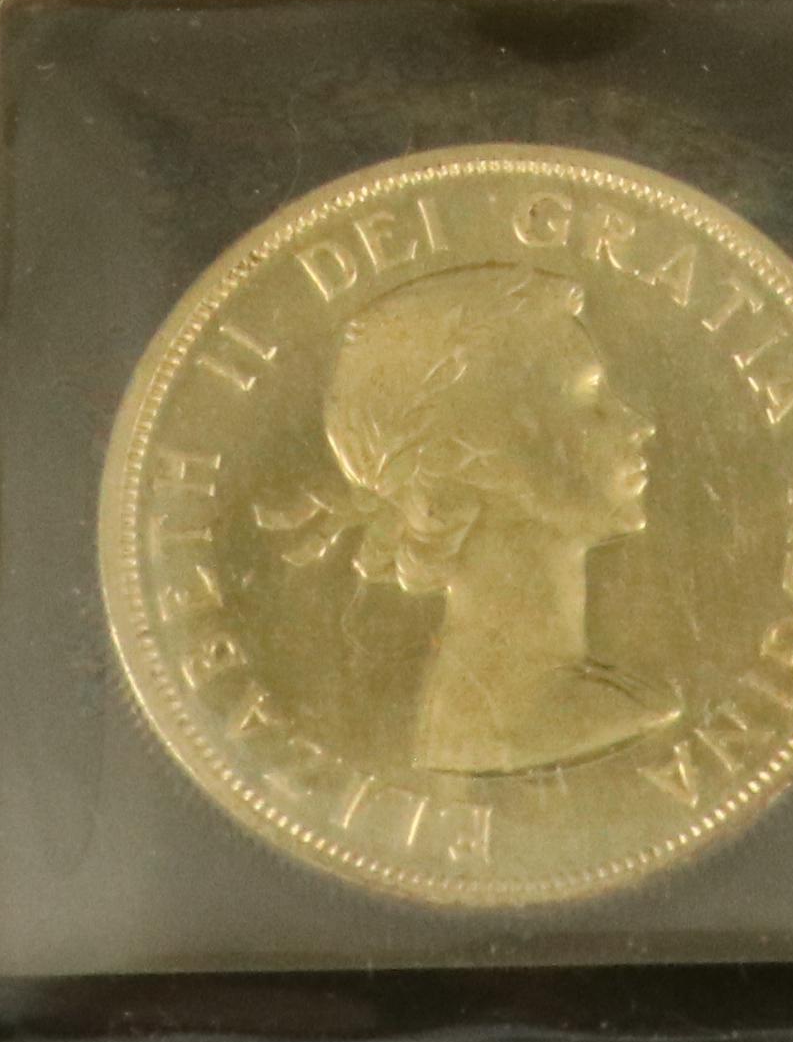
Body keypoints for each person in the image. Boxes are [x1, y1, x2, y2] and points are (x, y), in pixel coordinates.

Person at [273, 265, 681, 777]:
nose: (639, 425)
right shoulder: (581, 718)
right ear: (476, 460)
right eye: (589, 400)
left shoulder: (508, 710)